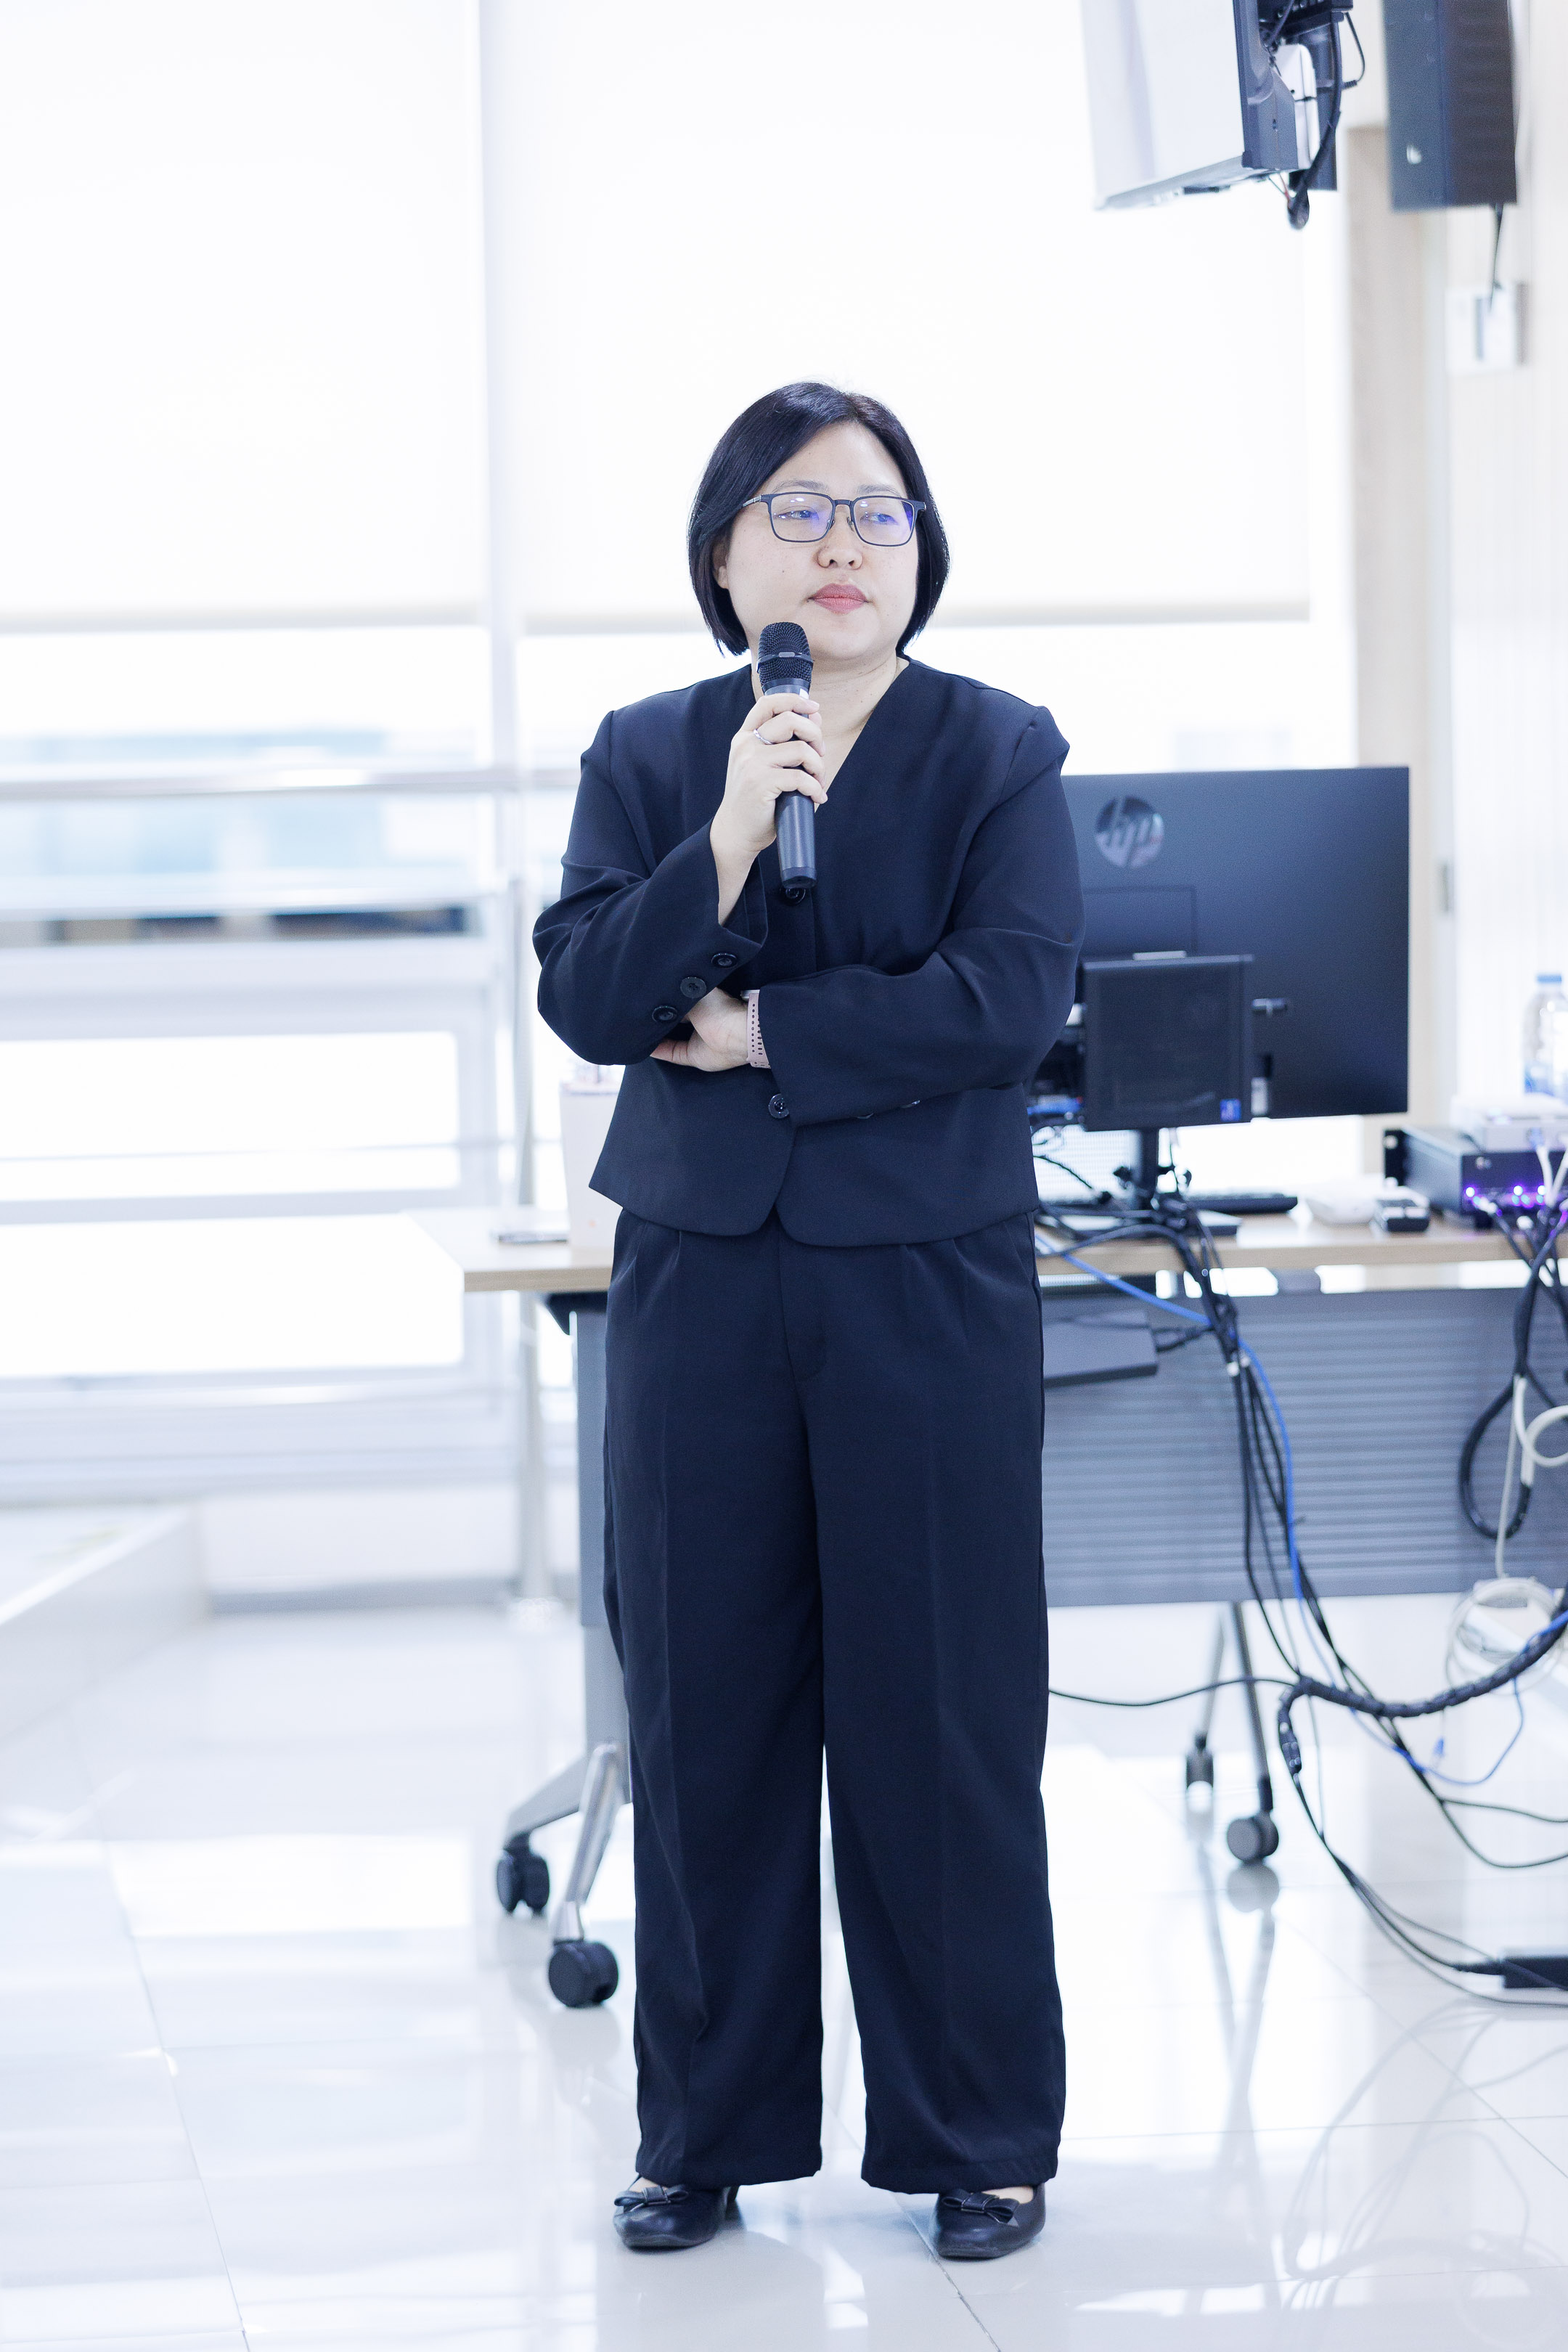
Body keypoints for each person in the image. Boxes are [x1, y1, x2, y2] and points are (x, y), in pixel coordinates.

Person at [533, 381, 1084, 2261]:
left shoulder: (996, 748)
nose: (845, 545)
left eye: (879, 514)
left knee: (942, 1708)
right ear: (724, 556)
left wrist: (768, 1028)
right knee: (705, 1710)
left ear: (923, 554)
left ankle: (977, 2134)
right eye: (800, 511)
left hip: (926, 1275)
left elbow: (1011, 998)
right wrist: (721, 842)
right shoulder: (652, 752)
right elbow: (591, 996)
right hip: (703, 1272)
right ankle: (703, 2133)